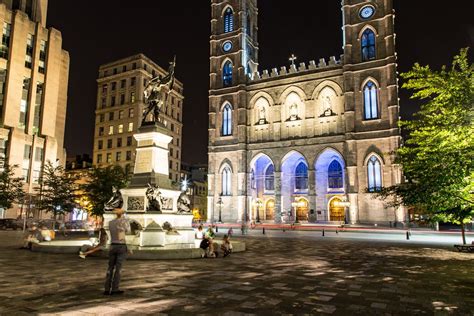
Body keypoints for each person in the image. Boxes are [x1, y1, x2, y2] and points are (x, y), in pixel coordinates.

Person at [104, 208, 130, 295]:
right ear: (122, 214)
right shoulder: (124, 222)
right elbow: (127, 232)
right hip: (121, 246)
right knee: (118, 268)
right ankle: (115, 289)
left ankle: (107, 288)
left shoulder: (111, 222)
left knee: (110, 267)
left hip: (112, 245)